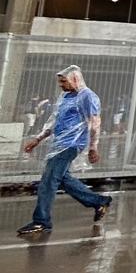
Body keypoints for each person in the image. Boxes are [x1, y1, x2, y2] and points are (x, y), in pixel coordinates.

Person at [17, 66, 112, 236]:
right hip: (59, 144)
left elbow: (95, 123)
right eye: (59, 81)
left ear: (75, 79)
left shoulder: (87, 97)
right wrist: (38, 139)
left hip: (72, 144)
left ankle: (41, 221)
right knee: (61, 178)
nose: (61, 85)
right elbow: (54, 121)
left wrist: (93, 147)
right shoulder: (65, 97)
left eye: (64, 81)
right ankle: (99, 202)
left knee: (48, 181)